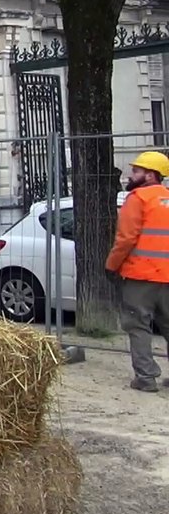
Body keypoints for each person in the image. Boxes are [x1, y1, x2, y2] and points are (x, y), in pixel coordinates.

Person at [105, 150, 169, 392]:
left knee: (138, 326)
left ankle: (145, 377)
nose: (131, 175)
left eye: (136, 171)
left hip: (141, 277)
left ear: (151, 175)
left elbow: (125, 239)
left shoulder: (138, 199)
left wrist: (111, 266)